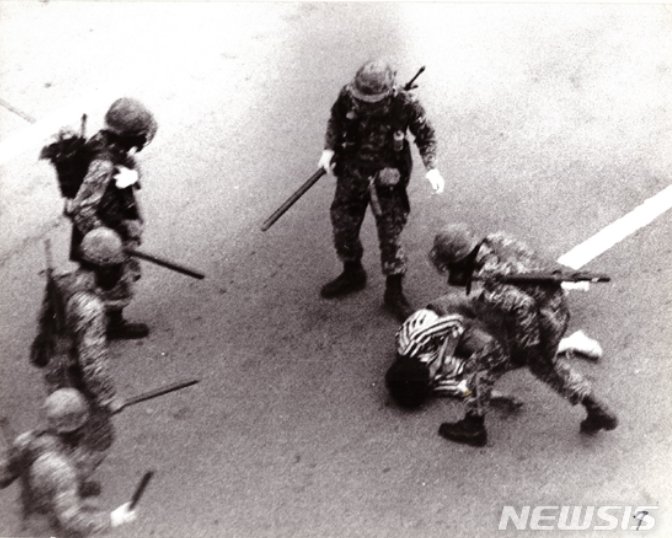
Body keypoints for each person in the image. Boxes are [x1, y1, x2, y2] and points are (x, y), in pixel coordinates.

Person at [426, 223, 618, 446]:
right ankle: (597, 410)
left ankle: (473, 427)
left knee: (480, 367)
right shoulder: (498, 240)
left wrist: (525, 347)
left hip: (537, 322)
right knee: (545, 366)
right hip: (556, 309)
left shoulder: (491, 277)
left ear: (460, 259)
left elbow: (523, 305)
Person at [317, 59, 446, 321]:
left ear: (388, 92)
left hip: (388, 177)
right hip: (353, 171)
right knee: (343, 225)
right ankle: (353, 272)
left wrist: (431, 168)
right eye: (362, 99)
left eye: (372, 101)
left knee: (390, 234)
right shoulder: (348, 94)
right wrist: (329, 149)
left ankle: (394, 292)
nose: (365, 105)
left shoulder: (405, 104)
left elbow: (426, 135)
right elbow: (336, 121)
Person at [386, 294, 602, 417]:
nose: (437, 377)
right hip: (455, 337)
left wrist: (445, 355)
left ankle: (546, 296)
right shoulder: (424, 381)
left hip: (445, 313)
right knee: (505, 354)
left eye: (433, 373)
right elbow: (459, 388)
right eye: (433, 381)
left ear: (422, 364)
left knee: (498, 301)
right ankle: (572, 342)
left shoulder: (415, 340)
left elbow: (455, 322)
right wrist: (495, 396)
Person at [69, 97, 157, 336]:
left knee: (112, 277)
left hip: (112, 223)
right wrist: (108, 242)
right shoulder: (103, 164)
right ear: (126, 135)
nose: (142, 140)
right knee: (113, 279)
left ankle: (100, 319)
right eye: (138, 135)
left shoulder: (106, 143)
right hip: (104, 232)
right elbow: (82, 208)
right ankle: (111, 325)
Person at [0, 389, 137, 535]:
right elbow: (72, 520)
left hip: (29, 519)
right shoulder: (61, 471)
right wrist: (112, 519)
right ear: (76, 430)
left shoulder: (26, 441)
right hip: (51, 530)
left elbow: (3, 475)